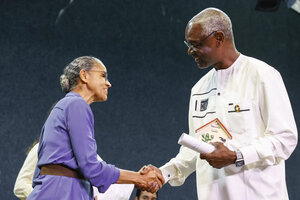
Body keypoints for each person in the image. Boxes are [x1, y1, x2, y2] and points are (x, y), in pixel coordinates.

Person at [143, 7, 298, 200]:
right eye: (188, 45)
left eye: (196, 44)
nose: (190, 51)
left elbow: (285, 138)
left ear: (218, 37)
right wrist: (164, 173)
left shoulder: (263, 75)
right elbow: (198, 147)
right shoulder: (199, 89)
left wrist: (237, 155)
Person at [26, 56, 164, 200]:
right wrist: (139, 178)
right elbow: (91, 168)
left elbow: (39, 173)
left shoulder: (62, 107)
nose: (108, 83)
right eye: (103, 76)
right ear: (84, 75)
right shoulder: (77, 105)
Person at [14, 141, 134, 200]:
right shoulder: (42, 148)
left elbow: (102, 177)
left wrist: (137, 177)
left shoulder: (86, 153)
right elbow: (20, 186)